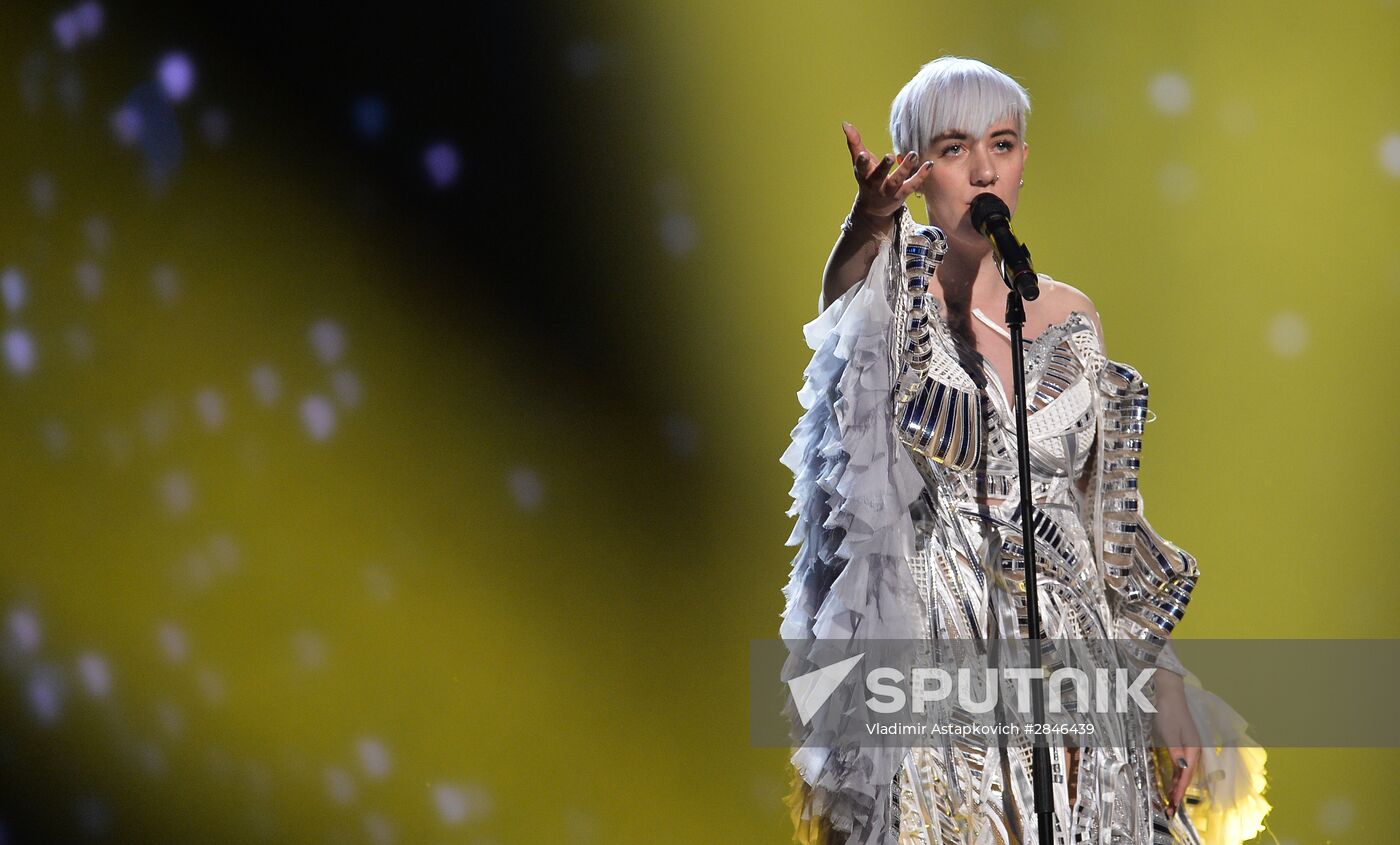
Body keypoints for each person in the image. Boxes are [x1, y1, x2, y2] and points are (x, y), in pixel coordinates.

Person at [779, 57, 1270, 845]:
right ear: (910, 171)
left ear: (1023, 162)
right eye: (952, 147)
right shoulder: (888, 301)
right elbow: (839, 303)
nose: (982, 168)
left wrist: (1163, 680)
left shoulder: (1071, 317)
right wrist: (866, 225)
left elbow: (1107, 520)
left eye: (1001, 144)